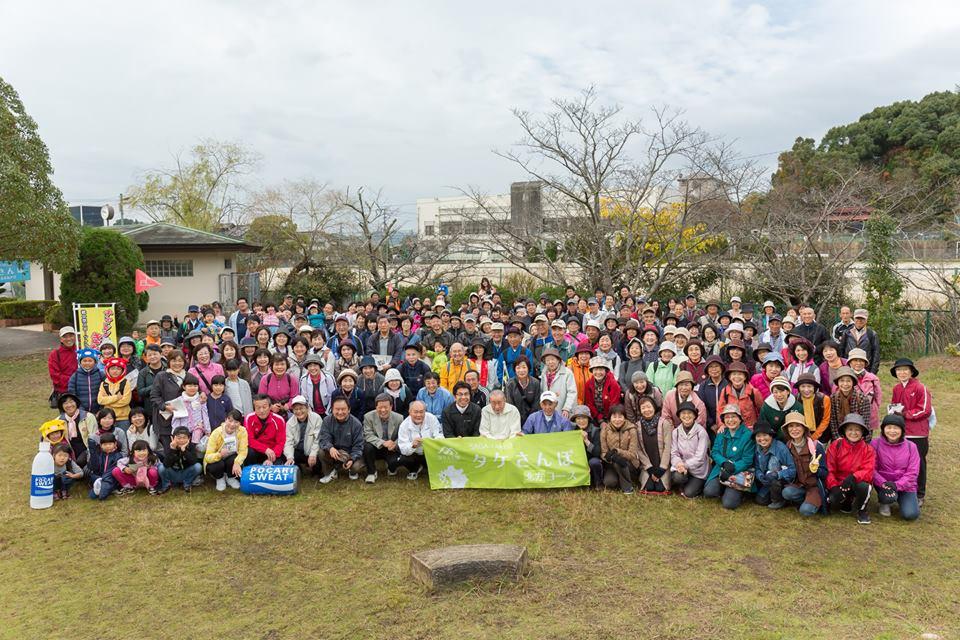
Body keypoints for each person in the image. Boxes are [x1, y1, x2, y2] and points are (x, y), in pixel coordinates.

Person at [889, 357, 932, 505]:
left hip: (918, 433)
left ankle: (920, 494)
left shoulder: (921, 388)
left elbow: (925, 410)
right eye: (899, 370)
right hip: (901, 432)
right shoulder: (897, 388)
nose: (902, 372)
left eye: (905, 369)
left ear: (911, 371)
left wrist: (905, 414)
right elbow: (894, 406)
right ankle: (902, 490)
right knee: (901, 463)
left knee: (919, 463)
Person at [703, 404, 756, 510]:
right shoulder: (721, 433)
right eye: (727, 417)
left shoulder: (748, 435)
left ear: (740, 419)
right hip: (721, 468)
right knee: (709, 492)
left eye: (733, 416)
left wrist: (733, 467)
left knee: (729, 504)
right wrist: (724, 463)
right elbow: (715, 452)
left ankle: (740, 493)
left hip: (739, 471)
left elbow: (747, 459)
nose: (730, 420)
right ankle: (723, 487)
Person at [826, 413, 876, 525]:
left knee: (865, 486)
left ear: (863, 432)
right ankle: (846, 502)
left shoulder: (868, 449)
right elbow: (829, 468)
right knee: (834, 499)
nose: (854, 433)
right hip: (839, 483)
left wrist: (853, 477)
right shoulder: (835, 445)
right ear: (844, 431)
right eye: (850, 429)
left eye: (857, 429)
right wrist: (833, 486)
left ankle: (862, 510)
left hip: (856, 482)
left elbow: (868, 471)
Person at [871, 414, 921, 520]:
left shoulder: (911, 447)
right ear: (883, 429)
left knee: (910, 515)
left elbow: (913, 472)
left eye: (896, 428)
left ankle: (904, 499)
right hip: (884, 485)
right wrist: (883, 483)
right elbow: (872, 469)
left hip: (906, 486)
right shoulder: (875, 444)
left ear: (902, 430)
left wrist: (896, 485)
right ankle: (885, 502)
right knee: (888, 497)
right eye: (889, 427)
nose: (892, 431)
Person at [780, 411, 828, 516]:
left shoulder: (816, 447)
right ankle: (805, 499)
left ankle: (815, 501)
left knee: (805, 511)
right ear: (787, 430)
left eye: (798, 426)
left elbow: (825, 473)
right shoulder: (787, 447)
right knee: (786, 493)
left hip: (814, 487)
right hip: (799, 485)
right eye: (791, 426)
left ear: (804, 428)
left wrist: (816, 470)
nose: (794, 429)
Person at [318, 396, 366, 483]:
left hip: (350, 453)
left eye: (343, 409)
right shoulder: (326, 421)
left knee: (356, 466)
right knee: (321, 452)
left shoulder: (356, 424)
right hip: (335, 452)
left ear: (349, 409)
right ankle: (331, 472)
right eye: (337, 409)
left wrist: (352, 458)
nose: (340, 412)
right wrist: (330, 448)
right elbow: (324, 438)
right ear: (332, 409)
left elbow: (358, 445)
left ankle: (352, 471)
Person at [669, 401, 711, 498]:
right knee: (676, 477)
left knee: (689, 493)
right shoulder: (676, 432)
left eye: (689, 413)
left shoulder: (701, 432)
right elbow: (674, 453)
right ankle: (684, 484)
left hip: (698, 471)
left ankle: (698, 486)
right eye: (683, 413)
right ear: (679, 416)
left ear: (694, 415)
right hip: (682, 468)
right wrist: (679, 464)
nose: (686, 416)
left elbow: (700, 457)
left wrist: (685, 465)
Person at [150, 351, 188, 453]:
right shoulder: (162, 376)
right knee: (170, 451)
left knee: (184, 451)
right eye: (174, 360)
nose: (177, 363)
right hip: (166, 420)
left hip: (184, 420)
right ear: (169, 362)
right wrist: (165, 406)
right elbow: (154, 396)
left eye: (180, 361)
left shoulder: (188, 376)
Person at [752, 421, 795, 509]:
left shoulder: (781, 448)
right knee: (760, 500)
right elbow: (756, 466)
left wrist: (778, 474)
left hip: (781, 481)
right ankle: (773, 496)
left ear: (771, 435)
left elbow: (792, 470)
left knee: (775, 483)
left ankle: (780, 500)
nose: (762, 439)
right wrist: (759, 475)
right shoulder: (757, 448)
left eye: (765, 435)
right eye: (758, 436)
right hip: (766, 481)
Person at [396, 400, 444, 480]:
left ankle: (430, 468)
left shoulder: (432, 418)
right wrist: (413, 445)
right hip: (415, 454)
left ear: (425, 411)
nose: (419, 415)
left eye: (421, 412)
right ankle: (414, 469)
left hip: (430, 452)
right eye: (415, 412)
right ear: (410, 412)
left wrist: (430, 442)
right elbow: (403, 448)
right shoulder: (404, 425)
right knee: (404, 458)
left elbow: (440, 436)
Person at [362, 393, 404, 483]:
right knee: (367, 446)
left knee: (393, 467)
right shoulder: (368, 417)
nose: (383, 410)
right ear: (376, 407)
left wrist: (395, 444)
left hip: (390, 448)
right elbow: (368, 435)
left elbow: (402, 435)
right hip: (376, 446)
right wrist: (382, 442)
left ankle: (390, 467)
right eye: (380, 407)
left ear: (391, 406)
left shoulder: (399, 418)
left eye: (386, 407)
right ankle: (371, 473)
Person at [634, 395, 672, 494]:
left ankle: (663, 475)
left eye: (649, 407)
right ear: (640, 410)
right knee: (649, 487)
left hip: (662, 464)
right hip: (648, 465)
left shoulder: (664, 423)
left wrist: (662, 468)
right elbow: (638, 449)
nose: (646, 410)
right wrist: (649, 468)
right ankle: (648, 475)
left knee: (661, 488)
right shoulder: (637, 426)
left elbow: (668, 447)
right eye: (643, 408)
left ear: (654, 407)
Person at [600, 404, 640, 494]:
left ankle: (627, 488)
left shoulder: (631, 429)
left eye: (620, 417)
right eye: (614, 417)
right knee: (609, 482)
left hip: (630, 464)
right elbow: (603, 453)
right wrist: (611, 458)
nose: (617, 420)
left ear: (625, 417)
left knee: (620, 461)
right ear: (610, 418)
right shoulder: (605, 430)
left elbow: (633, 454)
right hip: (612, 464)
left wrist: (617, 452)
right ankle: (620, 478)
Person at [204, 409, 247, 491]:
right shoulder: (216, 432)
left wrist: (237, 462)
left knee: (234, 460)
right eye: (230, 421)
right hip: (218, 459)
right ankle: (219, 478)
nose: (232, 424)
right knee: (216, 465)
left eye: (236, 422)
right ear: (225, 419)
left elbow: (243, 451)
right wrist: (219, 454)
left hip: (231, 457)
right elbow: (208, 457)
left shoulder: (242, 431)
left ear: (240, 423)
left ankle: (230, 477)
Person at [283, 395, 323, 477]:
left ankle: (316, 470)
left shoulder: (316, 418)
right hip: (298, 450)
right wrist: (289, 457)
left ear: (307, 408)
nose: (299, 411)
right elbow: (288, 441)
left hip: (312, 450)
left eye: (301, 408)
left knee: (319, 457)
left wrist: (313, 454)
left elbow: (317, 439)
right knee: (286, 455)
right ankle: (298, 469)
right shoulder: (290, 423)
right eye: (296, 409)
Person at [827, 367, 872, 441]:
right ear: (837, 383)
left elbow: (866, 422)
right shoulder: (833, 398)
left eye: (848, 381)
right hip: (840, 436)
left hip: (857, 436)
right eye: (842, 381)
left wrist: (863, 441)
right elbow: (833, 421)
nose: (845, 384)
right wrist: (837, 438)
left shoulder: (862, 398)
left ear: (853, 382)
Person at [243, 394, 287, 466]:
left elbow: (281, 442)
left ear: (270, 407)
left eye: (264, 407)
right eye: (258, 407)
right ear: (254, 408)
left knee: (275, 471)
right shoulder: (249, 418)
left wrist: (271, 457)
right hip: (257, 450)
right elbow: (249, 439)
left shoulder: (279, 420)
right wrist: (265, 449)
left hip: (274, 451)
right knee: (249, 452)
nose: (261, 410)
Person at [716, 362, 762, 428]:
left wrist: (757, 426)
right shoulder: (725, 391)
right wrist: (722, 424)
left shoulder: (754, 392)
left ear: (745, 377)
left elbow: (761, 411)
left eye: (740, 374)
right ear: (729, 377)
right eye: (734, 374)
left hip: (749, 428)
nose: (737, 377)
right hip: (732, 428)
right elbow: (720, 410)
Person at [56, 392, 95, 466]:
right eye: (65, 403)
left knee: (79, 462)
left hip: (86, 448)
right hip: (68, 449)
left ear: (76, 403)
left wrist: (90, 452)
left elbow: (94, 437)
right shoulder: (58, 420)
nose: (69, 405)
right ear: (62, 406)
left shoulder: (88, 417)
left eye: (71, 402)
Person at [847, 348, 882, 433]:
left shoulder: (873, 378)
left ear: (865, 363)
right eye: (855, 360)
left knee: (866, 441)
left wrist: (874, 409)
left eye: (861, 360)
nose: (858, 363)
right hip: (850, 415)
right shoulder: (845, 377)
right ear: (850, 362)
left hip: (869, 416)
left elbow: (878, 397)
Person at [162, 426, 203, 493]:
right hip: (173, 473)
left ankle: (187, 483)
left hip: (186, 473)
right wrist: (173, 449)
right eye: (179, 438)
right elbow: (166, 464)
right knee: (161, 467)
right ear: (173, 438)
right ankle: (166, 485)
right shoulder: (170, 446)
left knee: (198, 466)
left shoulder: (191, 446)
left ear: (189, 438)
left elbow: (194, 461)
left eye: (184, 438)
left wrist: (184, 451)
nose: (181, 440)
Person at [539, 347, 577, 418]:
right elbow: (542, 392)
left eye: (553, 359)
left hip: (563, 410)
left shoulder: (567, 373)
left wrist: (567, 408)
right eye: (547, 360)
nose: (550, 362)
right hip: (548, 410)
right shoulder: (543, 373)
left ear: (558, 360)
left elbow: (572, 392)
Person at [571, 404, 603, 488]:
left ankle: (598, 483)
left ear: (588, 419)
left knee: (594, 462)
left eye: (584, 418)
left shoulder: (595, 431)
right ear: (575, 420)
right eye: (578, 418)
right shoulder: (571, 431)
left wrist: (586, 441)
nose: (581, 421)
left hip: (590, 460)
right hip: (578, 461)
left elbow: (597, 452)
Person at [504, 356, 541, 425]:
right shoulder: (510, 384)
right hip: (515, 420)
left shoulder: (535, 382)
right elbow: (510, 404)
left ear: (528, 368)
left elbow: (536, 404)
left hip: (532, 420)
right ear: (514, 369)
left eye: (524, 367)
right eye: (518, 368)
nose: (521, 370)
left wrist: (530, 421)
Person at [584, 356, 621, 426]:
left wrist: (609, 420)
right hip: (596, 417)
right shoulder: (588, 384)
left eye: (601, 369)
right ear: (592, 371)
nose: (598, 372)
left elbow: (614, 403)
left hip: (612, 417)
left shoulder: (613, 384)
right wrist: (600, 419)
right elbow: (589, 404)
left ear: (605, 371)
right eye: (595, 370)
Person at [840, 309, 880, 373]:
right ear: (854, 318)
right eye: (857, 318)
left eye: (862, 318)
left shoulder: (872, 334)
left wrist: (873, 371)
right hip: (849, 368)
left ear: (866, 320)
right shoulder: (847, 332)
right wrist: (843, 367)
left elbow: (876, 354)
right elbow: (841, 350)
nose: (859, 320)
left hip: (866, 369)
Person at [796, 373, 831, 444]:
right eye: (803, 386)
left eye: (809, 386)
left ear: (814, 388)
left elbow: (825, 420)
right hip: (802, 435)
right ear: (799, 388)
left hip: (821, 435)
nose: (806, 390)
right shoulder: (796, 399)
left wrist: (814, 436)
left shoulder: (824, 399)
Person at [86, 431, 122, 500]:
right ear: (101, 445)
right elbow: (94, 467)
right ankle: (100, 486)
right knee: (92, 495)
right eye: (105, 444)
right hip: (98, 477)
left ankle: (105, 488)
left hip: (110, 478)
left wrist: (103, 478)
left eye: (110, 444)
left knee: (102, 495)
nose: (107, 446)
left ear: (115, 444)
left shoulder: (118, 456)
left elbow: (113, 470)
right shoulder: (99, 454)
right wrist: (93, 451)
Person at [68, 348, 105, 414]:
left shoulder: (101, 375)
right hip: (80, 410)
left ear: (95, 362)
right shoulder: (75, 376)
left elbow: (106, 392)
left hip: (98, 410)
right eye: (84, 361)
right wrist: (79, 408)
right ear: (80, 362)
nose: (87, 363)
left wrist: (101, 408)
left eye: (90, 361)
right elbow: (72, 394)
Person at [48, 326, 78, 403]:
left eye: (71, 335)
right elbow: (55, 376)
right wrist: (74, 381)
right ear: (61, 339)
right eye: (65, 336)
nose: (68, 339)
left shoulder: (81, 350)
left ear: (75, 336)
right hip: (64, 392)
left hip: (81, 390)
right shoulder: (55, 354)